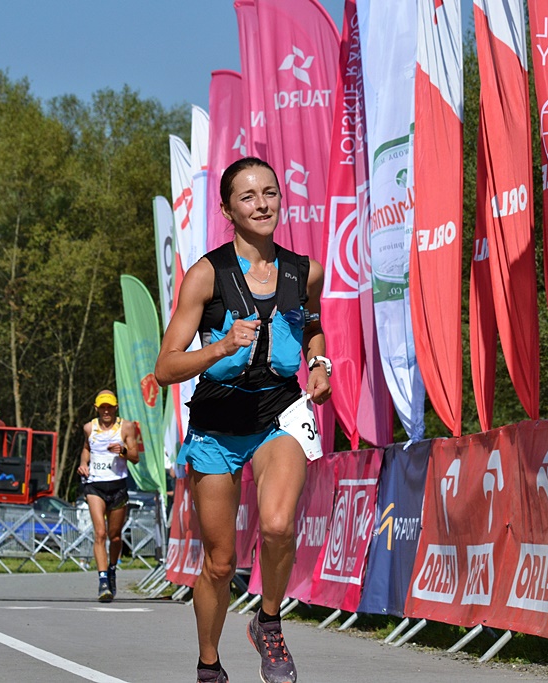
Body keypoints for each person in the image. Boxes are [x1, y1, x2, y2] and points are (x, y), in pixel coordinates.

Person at [155, 157, 331, 683]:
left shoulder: (304, 272)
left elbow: (313, 326)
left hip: (280, 411)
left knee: (278, 525)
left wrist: (319, 363)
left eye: (270, 193)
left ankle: (268, 622)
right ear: (228, 210)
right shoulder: (206, 275)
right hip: (218, 421)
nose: (262, 204)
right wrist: (220, 347)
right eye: (248, 196)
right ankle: (209, 663)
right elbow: (165, 368)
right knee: (220, 562)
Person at [76, 389, 139, 603]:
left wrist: (122, 451)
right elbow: (86, 448)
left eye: (109, 407)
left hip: (118, 486)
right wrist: (83, 464)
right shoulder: (89, 428)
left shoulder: (126, 427)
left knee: (115, 536)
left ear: (115, 408)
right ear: (96, 408)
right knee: (100, 533)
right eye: (102, 407)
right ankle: (103, 581)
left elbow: (135, 456)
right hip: (94, 486)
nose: (106, 411)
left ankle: (112, 569)